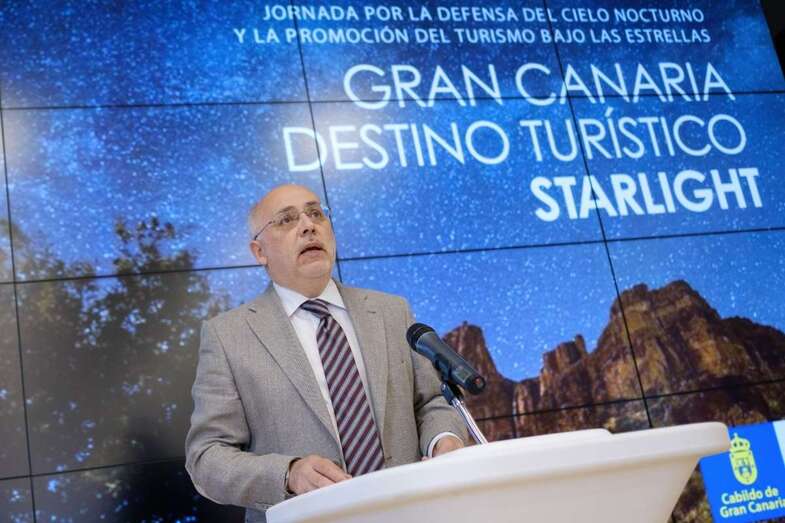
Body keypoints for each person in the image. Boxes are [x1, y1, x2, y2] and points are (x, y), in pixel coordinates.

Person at [185, 184, 467, 522]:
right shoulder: (229, 336)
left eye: (316, 213)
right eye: (286, 220)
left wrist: (444, 441)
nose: (308, 225)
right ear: (259, 251)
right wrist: (288, 474)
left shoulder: (392, 311)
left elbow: (431, 403)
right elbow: (206, 458)